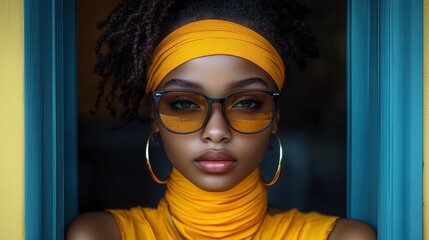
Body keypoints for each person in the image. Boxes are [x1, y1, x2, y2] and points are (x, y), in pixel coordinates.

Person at [67, 0, 376, 239]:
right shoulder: (101, 235)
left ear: (276, 117)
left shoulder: (343, 237)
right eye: (185, 103)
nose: (216, 131)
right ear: (156, 118)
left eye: (247, 103)